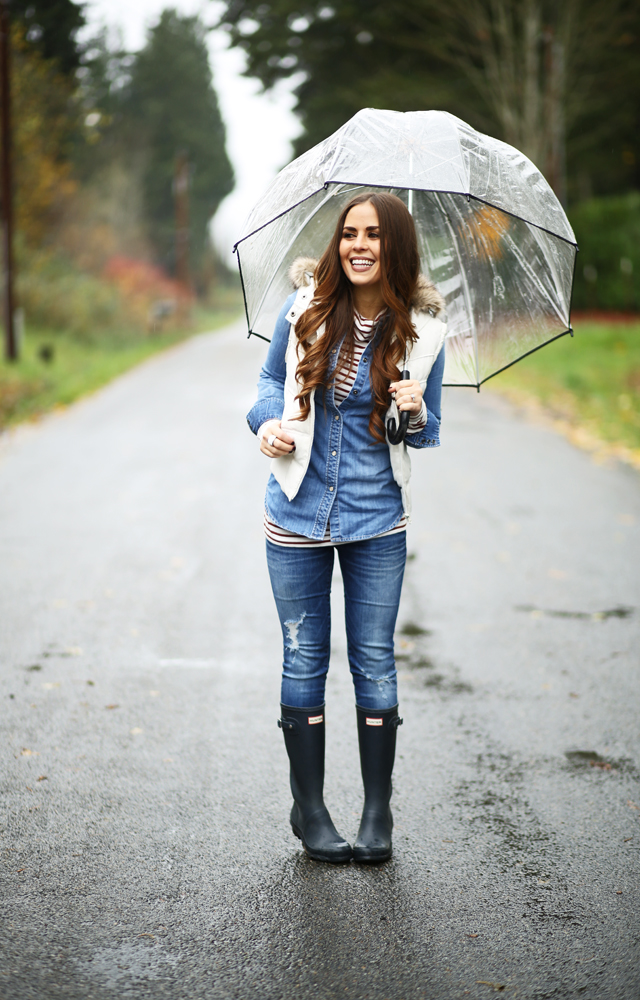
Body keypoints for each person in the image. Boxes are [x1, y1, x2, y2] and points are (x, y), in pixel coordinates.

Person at [246, 192, 446, 864]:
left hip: (377, 516)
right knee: (303, 658)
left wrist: (416, 406)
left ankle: (376, 811)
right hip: (298, 508)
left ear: (395, 248)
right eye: (348, 235)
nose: (358, 246)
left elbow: (429, 431)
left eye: (373, 236)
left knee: (375, 662)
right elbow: (268, 382)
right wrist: (267, 423)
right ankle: (310, 809)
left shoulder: (425, 331)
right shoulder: (303, 308)